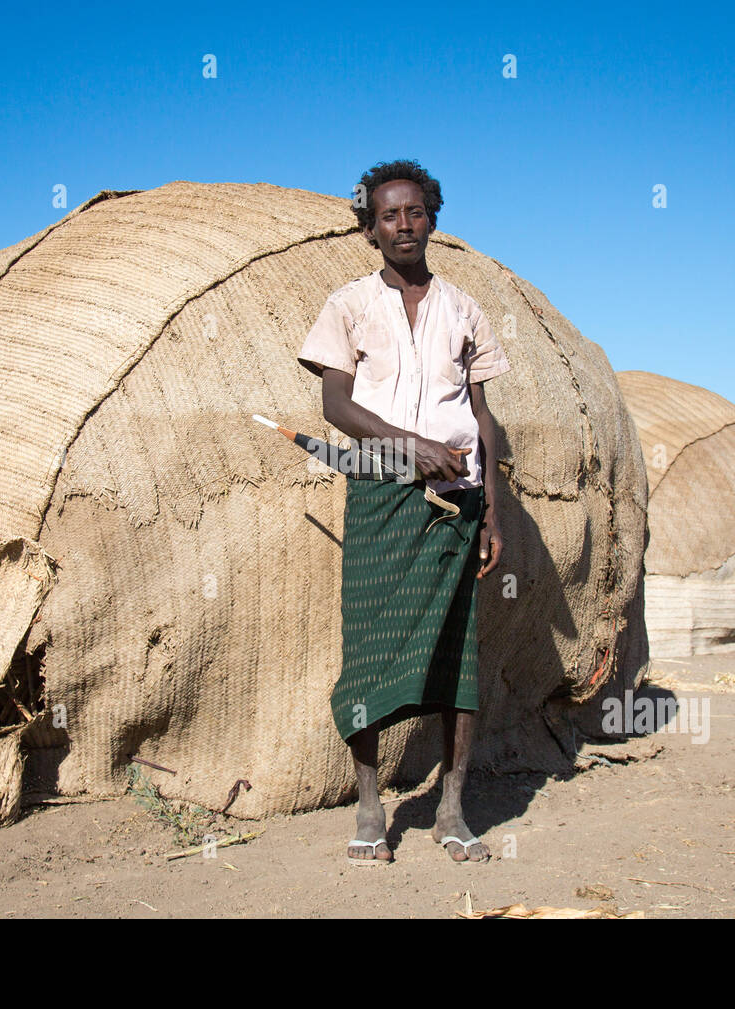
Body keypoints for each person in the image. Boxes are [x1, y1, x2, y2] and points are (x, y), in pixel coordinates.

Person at [296, 159, 510, 865]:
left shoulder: (464, 309)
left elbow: (484, 422)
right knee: (368, 654)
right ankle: (368, 804)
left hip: (458, 500)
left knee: (459, 663)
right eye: (389, 215)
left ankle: (452, 809)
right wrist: (409, 446)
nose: (404, 225)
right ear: (371, 228)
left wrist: (494, 515)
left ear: (432, 218)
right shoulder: (349, 305)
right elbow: (335, 406)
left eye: (415, 211)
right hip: (383, 497)